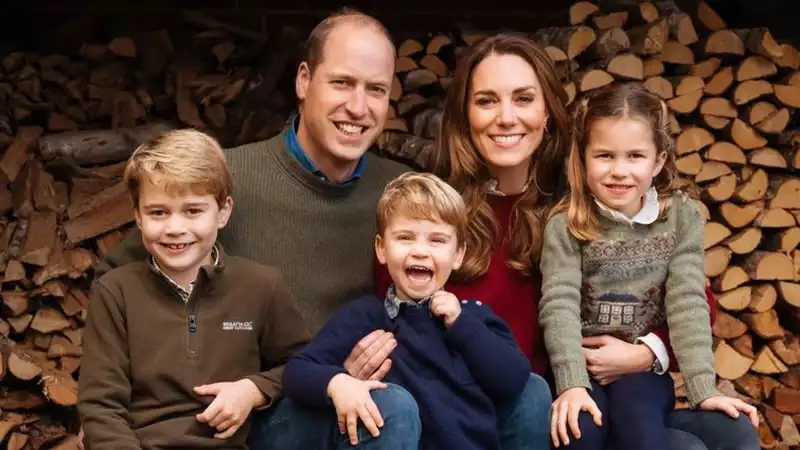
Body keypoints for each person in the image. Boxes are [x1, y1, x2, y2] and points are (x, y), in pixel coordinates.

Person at [90, 10, 550, 450]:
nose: (357, 106)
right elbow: (124, 282)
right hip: (269, 410)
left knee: (520, 391)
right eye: (342, 83)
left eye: (376, 89)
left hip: (370, 396)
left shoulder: (399, 194)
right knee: (388, 407)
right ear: (304, 80)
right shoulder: (226, 182)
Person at [376, 33, 759, 450]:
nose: (506, 118)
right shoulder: (434, 210)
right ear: (464, 114)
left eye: (523, 99)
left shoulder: (587, 196)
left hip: (603, 393)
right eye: (486, 101)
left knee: (734, 433)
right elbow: (394, 303)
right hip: (515, 410)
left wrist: (647, 354)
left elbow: (694, 298)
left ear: (547, 113)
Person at [539, 83, 759, 450]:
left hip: (641, 374)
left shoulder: (681, 219)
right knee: (579, 430)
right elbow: (558, 303)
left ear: (658, 161)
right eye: (605, 156)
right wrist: (572, 383)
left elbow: (688, 303)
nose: (619, 171)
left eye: (635, 156)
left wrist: (704, 390)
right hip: (582, 368)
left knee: (639, 429)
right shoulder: (566, 225)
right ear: (582, 158)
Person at [76, 130, 312, 449]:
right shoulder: (115, 292)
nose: (175, 228)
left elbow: (303, 363)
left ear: (223, 211)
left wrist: (254, 388)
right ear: (138, 216)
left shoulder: (261, 286)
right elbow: (101, 406)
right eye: (158, 212)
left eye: (193, 210)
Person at [282, 172, 532, 449]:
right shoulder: (365, 316)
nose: (420, 252)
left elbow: (514, 379)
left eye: (437, 240)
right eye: (405, 238)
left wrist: (462, 325)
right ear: (381, 249)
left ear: (459, 254)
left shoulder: (473, 317)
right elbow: (298, 371)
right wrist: (338, 383)